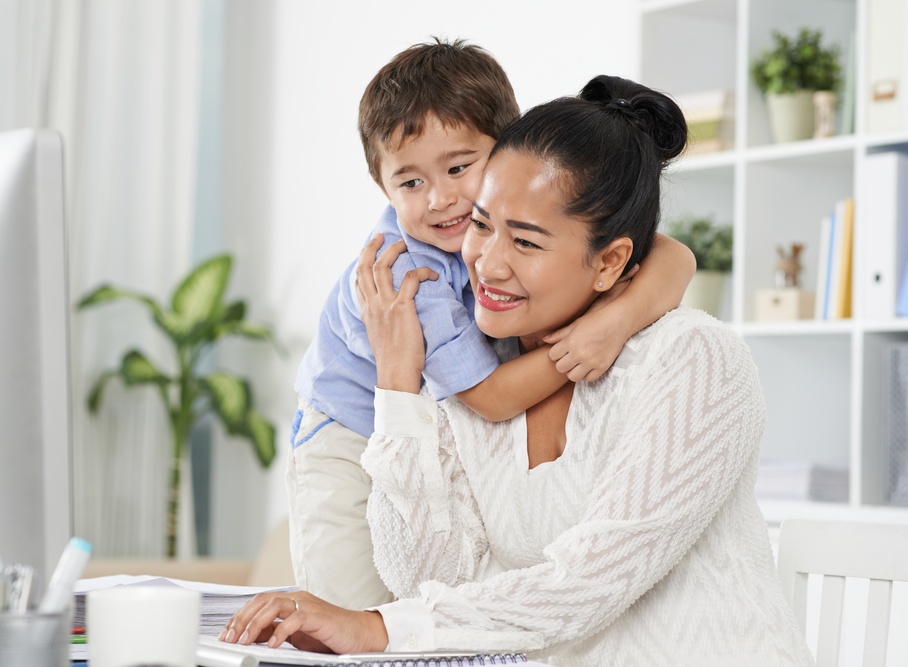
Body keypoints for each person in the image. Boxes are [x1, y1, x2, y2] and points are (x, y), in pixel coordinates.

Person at [223, 75, 815, 666]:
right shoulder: (468, 365)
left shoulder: (692, 359)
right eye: (481, 226)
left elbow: (589, 581)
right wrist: (398, 384)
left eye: (526, 243)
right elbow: (428, 579)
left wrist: (377, 629)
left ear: (611, 262)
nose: (487, 264)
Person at [289, 40, 696, 611]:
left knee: (429, 611)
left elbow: (672, 256)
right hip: (347, 443)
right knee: (348, 614)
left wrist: (618, 317)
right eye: (410, 183)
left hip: (433, 435)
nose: (442, 198)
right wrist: (579, 344)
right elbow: (491, 398)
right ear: (383, 188)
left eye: (460, 167)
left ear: (504, 153)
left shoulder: (503, 221)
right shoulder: (408, 271)